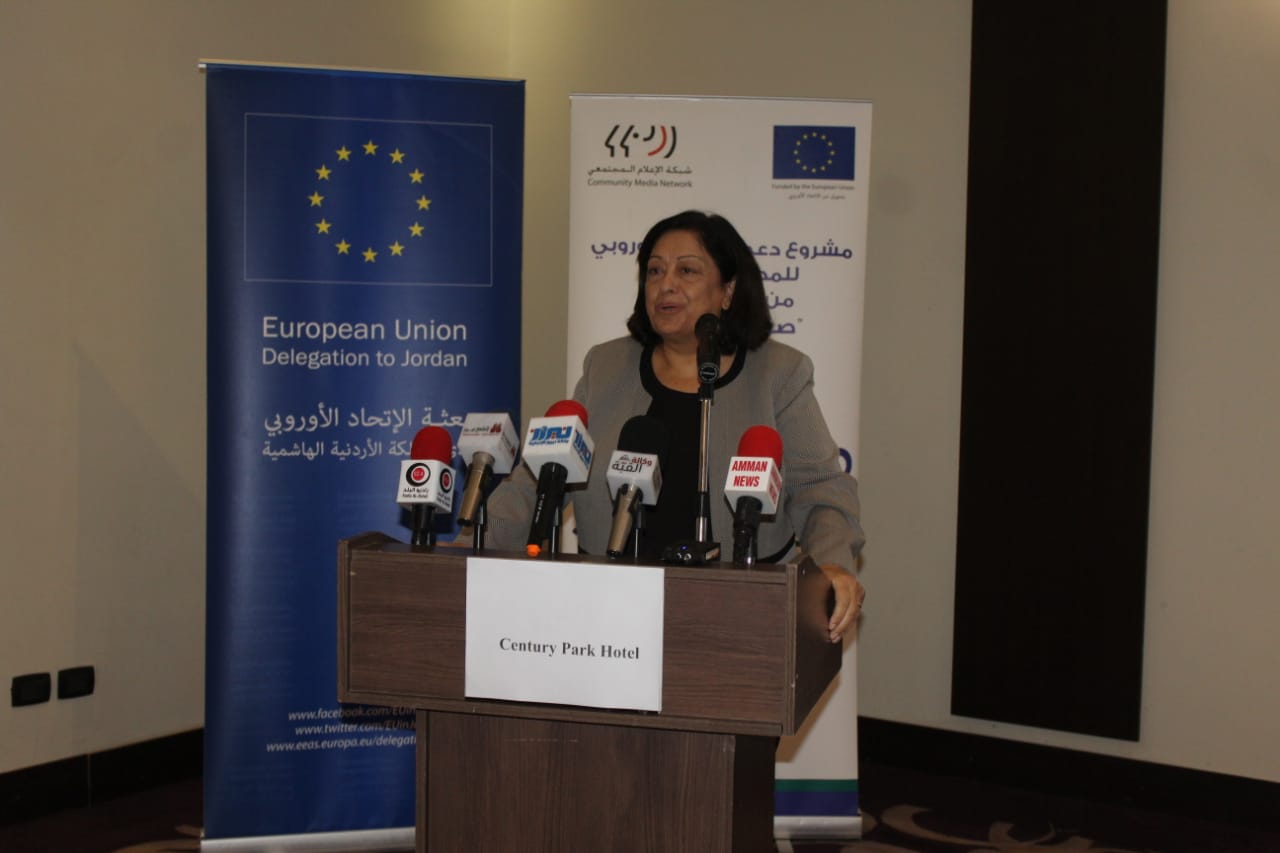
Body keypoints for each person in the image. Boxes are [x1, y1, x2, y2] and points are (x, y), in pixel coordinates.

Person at [479, 210, 866, 642]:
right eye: (654, 271)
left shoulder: (778, 373)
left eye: (687, 270)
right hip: (606, 614)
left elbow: (820, 490)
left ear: (728, 291)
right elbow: (538, 478)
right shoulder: (606, 366)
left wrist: (831, 564)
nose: (665, 284)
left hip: (740, 616)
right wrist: (468, 547)